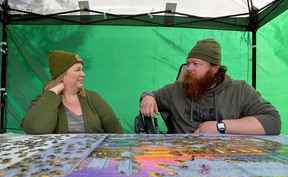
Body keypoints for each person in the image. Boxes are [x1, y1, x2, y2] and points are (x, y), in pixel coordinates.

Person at [140, 38, 281, 135]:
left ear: (214, 68)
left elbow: (273, 122)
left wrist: (220, 126)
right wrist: (147, 97)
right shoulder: (177, 88)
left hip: (225, 160)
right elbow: (152, 95)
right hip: (182, 160)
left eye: (196, 64)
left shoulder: (239, 90)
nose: (189, 68)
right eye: (188, 63)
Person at [21, 50, 123, 134]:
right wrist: (54, 91)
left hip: (95, 156)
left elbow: (116, 132)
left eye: (82, 70)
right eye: (77, 70)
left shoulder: (93, 98)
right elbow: (35, 129)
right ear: (62, 74)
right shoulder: (42, 100)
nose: (83, 74)